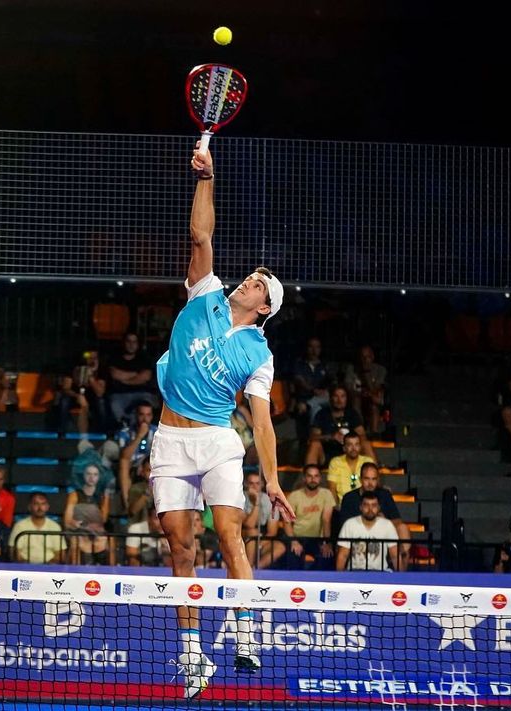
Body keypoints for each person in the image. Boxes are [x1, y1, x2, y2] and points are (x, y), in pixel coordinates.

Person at [149, 146, 295, 697]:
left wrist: (272, 479)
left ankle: (245, 630)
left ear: (265, 307)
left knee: (230, 535)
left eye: (258, 283)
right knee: (180, 547)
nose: (248, 281)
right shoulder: (204, 293)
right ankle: (192, 655)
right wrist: (206, 177)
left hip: (217, 443)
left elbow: (261, 423)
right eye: (251, 276)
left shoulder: (259, 354)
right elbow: (200, 236)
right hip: (170, 439)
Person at [281, 465, 336, 570]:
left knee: (327, 556)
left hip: (318, 539)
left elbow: (326, 520)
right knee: (293, 557)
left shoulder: (326, 494)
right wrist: (293, 541)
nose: (313, 479)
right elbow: (286, 522)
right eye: (309, 476)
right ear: (304, 478)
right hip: (298, 538)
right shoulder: (295, 496)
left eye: (316, 476)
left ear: (320, 478)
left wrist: (326, 542)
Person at [336, 490, 399, 572]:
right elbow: (343, 555)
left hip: (380, 573)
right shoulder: (349, 524)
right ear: (360, 507)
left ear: (379, 508)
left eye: (374, 505)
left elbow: (395, 556)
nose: (370, 509)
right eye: (366, 505)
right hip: (354, 572)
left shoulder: (387, 525)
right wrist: (339, 577)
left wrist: (402, 577)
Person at [8, 492, 67, 563]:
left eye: (43, 504)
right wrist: (28, 567)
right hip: (24, 567)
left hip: (49, 568)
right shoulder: (19, 526)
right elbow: (14, 553)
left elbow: (60, 554)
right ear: (29, 507)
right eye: (36, 504)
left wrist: (47, 566)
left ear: (47, 507)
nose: (40, 508)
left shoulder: (55, 527)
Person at [326, 431, 376, 504]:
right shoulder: (335, 462)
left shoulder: (368, 461)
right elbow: (332, 488)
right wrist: (335, 508)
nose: (353, 448)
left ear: (360, 447)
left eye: (356, 444)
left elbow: (374, 485)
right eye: (349, 445)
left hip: (364, 505)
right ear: (344, 448)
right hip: (343, 506)